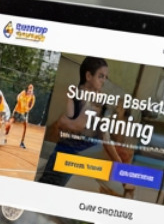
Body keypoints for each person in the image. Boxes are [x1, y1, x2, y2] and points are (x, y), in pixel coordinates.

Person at [37, 56, 126, 186]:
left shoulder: (100, 102)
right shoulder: (75, 95)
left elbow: (105, 137)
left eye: (106, 77)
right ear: (88, 76)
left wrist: (120, 165)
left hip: (79, 156)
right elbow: (72, 125)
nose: (104, 81)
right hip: (66, 154)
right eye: (101, 76)